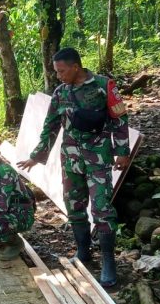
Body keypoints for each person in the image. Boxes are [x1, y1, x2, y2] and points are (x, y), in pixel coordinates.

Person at [17, 47, 130, 287]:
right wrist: (37, 156)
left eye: (62, 71)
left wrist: (122, 151)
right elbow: (50, 126)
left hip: (98, 157)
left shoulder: (104, 86)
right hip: (70, 158)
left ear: (75, 67)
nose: (58, 75)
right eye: (57, 71)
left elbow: (120, 119)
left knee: (101, 208)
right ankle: (83, 251)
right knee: (74, 205)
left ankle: (108, 262)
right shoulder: (60, 93)